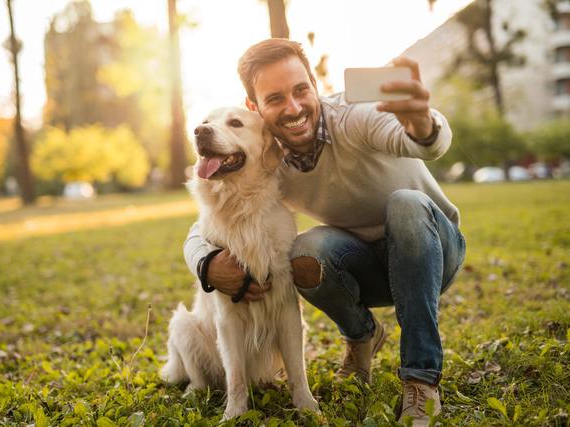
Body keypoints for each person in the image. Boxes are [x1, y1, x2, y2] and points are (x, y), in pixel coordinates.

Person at [183, 38, 465, 426]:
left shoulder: (354, 115)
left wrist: (422, 124)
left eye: (301, 90)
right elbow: (208, 224)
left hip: (431, 249)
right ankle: (362, 336)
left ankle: (420, 381)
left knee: (406, 204)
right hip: (365, 265)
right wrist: (206, 262)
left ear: (315, 86)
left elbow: (423, 143)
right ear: (256, 108)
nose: (294, 107)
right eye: (276, 97)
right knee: (307, 250)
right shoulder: (266, 159)